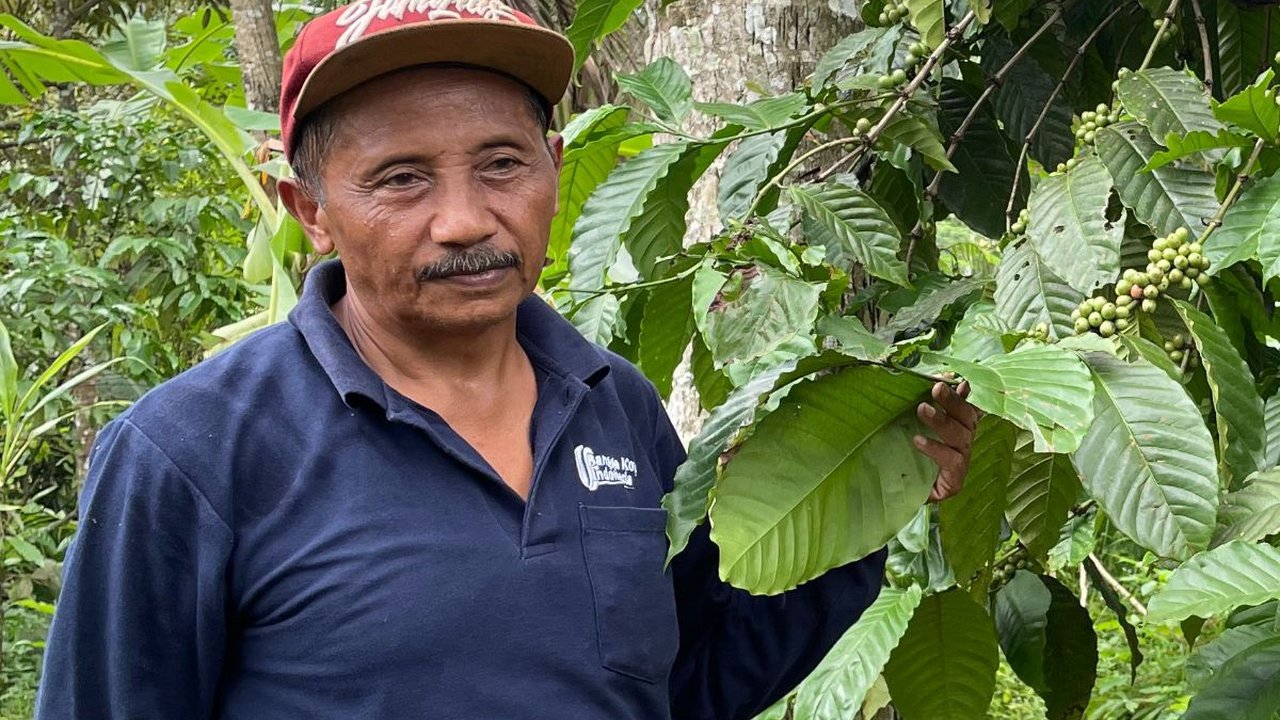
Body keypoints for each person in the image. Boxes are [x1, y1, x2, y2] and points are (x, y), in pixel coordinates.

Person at [34, 2, 977, 718]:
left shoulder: (618, 407)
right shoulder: (189, 454)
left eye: (501, 164)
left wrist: (869, 492)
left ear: (554, 168)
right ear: (308, 208)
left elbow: (690, 681)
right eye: (401, 179)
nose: (464, 220)